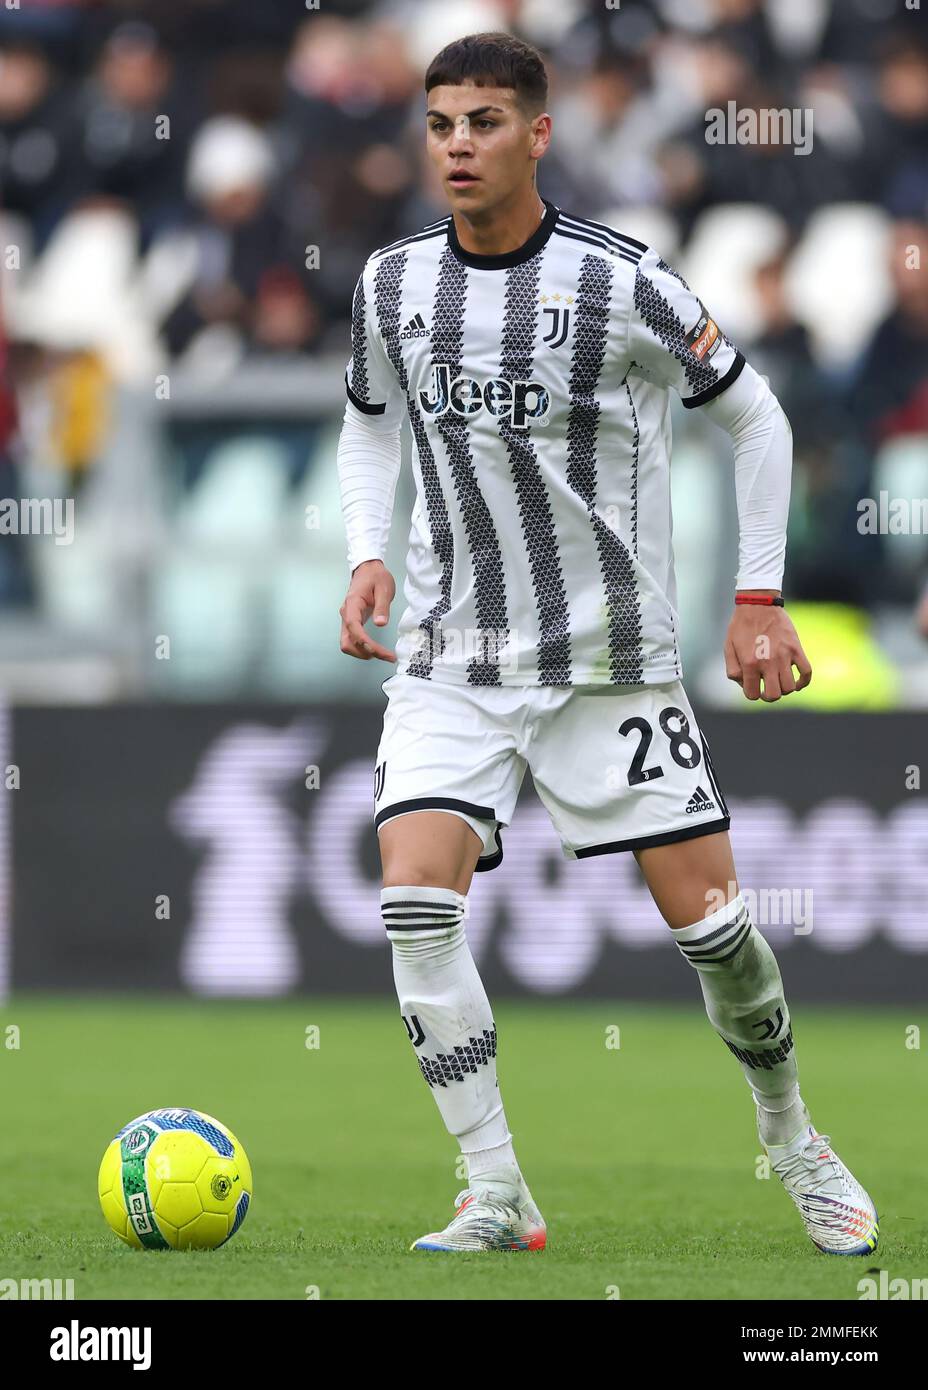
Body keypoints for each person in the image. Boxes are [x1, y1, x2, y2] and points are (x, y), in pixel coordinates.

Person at [336, 32, 878, 1256]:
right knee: (415, 905)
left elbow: (757, 419)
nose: (457, 145)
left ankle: (791, 1134)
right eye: (438, 124)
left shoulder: (624, 281)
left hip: (608, 664)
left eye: (482, 122)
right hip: (454, 657)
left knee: (715, 932)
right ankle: (495, 1190)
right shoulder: (388, 283)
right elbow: (369, 423)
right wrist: (368, 550)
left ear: (537, 133)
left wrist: (756, 597)